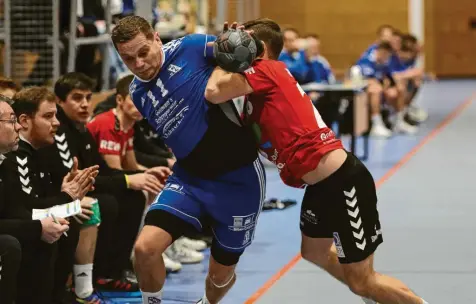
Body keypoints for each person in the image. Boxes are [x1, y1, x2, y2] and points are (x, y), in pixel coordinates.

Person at [205, 19, 429, 304]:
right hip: (320, 187)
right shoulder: (258, 83)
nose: (237, 43)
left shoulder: (267, 68)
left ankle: (378, 292)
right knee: (314, 251)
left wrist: (223, 54)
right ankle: (372, 292)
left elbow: (213, 92)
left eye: (242, 39)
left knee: (363, 281)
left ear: (259, 48)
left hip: (342, 182)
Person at [112, 15, 264, 304]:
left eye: (143, 52)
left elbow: (241, 50)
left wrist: (245, 41)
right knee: (145, 249)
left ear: (157, 38)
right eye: (128, 59)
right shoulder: (136, 92)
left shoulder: (191, 47)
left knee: (219, 276)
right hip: (190, 179)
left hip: (239, 180)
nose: (139, 64)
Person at [41, 72, 165, 293]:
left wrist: (138, 175)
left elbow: (102, 169)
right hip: (60, 197)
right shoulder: (72, 129)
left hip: (82, 190)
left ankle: (114, 270)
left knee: (134, 195)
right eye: (77, 98)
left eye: (88, 98)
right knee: (107, 203)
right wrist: (129, 179)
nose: (85, 105)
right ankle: (90, 280)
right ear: (60, 101)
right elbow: (84, 176)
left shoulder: (81, 129)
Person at [2, 87, 98, 304]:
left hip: (23, 222)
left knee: (75, 215)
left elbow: (38, 203)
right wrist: (68, 199)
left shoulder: (40, 151)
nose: (56, 123)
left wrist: (69, 197)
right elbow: (26, 209)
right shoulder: (17, 156)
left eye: (55, 115)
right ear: (25, 121)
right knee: (54, 226)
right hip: (16, 230)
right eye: (48, 116)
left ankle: (73, 292)